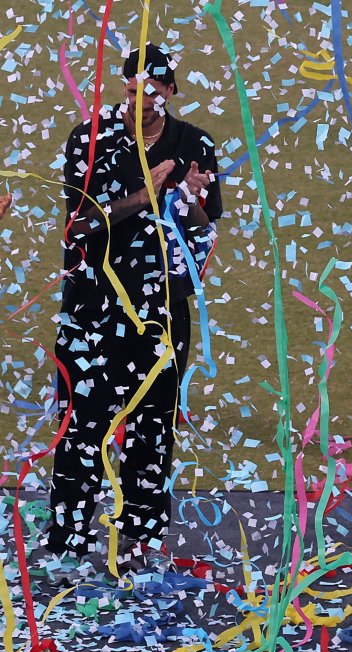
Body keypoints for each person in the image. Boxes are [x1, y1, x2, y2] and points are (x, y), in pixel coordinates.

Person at [42, 44, 221, 581]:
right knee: (81, 425)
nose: (142, 99)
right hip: (92, 306)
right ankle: (69, 543)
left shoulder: (195, 143)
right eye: (132, 88)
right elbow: (78, 223)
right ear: (121, 87)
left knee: (153, 429)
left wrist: (187, 198)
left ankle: (140, 545)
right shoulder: (89, 138)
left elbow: (205, 227)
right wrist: (146, 195)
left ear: (170, 90)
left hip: (162, 308)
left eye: (153, 89)